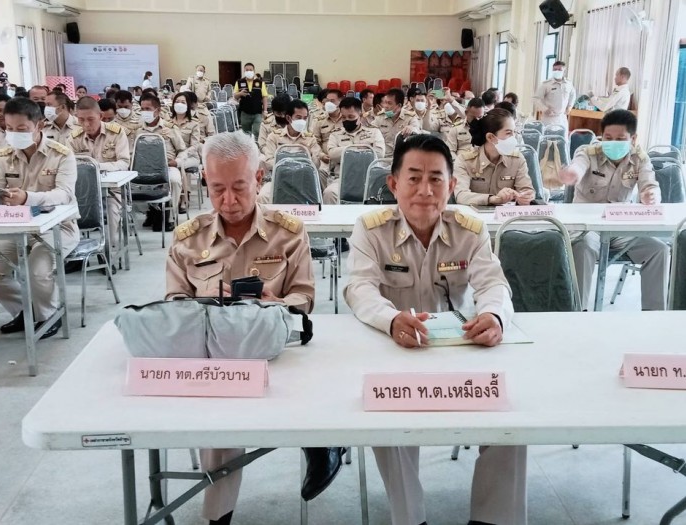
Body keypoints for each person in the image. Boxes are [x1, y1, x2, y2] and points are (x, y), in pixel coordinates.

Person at [343, 134, 526, 525]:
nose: (425, 190)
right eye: (413, 178)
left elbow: (494, 284)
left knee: (512, 421)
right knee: (386, 421)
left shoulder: (469, 229)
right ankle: (411, 518)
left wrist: (493, 316)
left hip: (461, 350)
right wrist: (391, 319)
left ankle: (492, 519)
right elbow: (359, 288)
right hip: (397, 350)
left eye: (436, 179)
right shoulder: (370, 229)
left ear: (452, 185)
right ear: (393, 184)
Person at [166, 131, 344, 525]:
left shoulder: (287, 232)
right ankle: (218, 517)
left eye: (239, 187)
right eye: (217, 189)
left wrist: (274, 302)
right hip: (216, 360)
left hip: (275, 354)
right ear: (205, 182)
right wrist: (205, 305)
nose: (228, 200)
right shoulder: (187, 240)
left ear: (259, 178)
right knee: (220, 421)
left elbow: (304, 298)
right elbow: (173, 304)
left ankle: (321, 441)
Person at [0, 97, 80, 339]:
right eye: (9, 128)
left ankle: (48, 316)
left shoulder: (61, 154)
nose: (14, 134)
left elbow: (64, 194)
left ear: (39, 125)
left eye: (21, 129)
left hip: (58, 228)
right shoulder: (4, 155)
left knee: (37, 269)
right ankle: (26, 310)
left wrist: (28, 197)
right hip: (17, 227)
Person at [559, 109, 667, 311]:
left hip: (620, 226)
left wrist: (651, 195)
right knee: (583, 247)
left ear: (633, 139)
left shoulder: (639, 158)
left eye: (620, 139)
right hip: (587, 227)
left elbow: (650, 185)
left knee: (658, 250)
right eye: (608, 138)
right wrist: (572, 174)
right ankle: (577, 312)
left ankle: (654, 313)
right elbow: (578, 166)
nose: (613, 143)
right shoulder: (588, 152)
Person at [68, 96, 130, 250]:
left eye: (91, 119)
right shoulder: (74, 138)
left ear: (100, 116)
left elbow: (124, 162)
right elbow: (68, 166)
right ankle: (74, 250)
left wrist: (96, 167)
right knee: (65, 210)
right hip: (82, 192)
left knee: (111, 209)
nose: (86, 124)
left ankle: (108, 251)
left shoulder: (116, 133)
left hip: (111, 191)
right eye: (81, 120)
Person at [454, 108, 534, 206]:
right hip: (473, 214)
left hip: (507, 214)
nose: (514, 138)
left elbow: (526, 190)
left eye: (515, 132)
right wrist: (494, 199)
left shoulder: (517, 160)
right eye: (508, 133)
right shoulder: (465, 160)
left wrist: (525, 197)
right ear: (490, 137)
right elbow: (461, 195)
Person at [135, 92, 186, 231]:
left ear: (157, 110)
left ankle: (169, 216)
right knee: (131, 184)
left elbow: (182, 150)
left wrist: (177, 161)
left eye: (148, 109)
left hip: (167, 166)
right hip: (144, 168)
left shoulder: (170, 127)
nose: (144, 112)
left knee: (174, 180)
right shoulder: (138, 130)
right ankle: (150, 212)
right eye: (142, 109)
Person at [323, 97, 385, 204]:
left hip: (368, 178)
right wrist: (361, 148)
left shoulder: (374, 132)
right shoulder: (335, 134)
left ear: (360, 115)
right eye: (343, 117)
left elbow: (379, 154)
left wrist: (348, 151)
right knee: (329, 193)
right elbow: (332, 154)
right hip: (342, 178)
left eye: (351, 117)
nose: (347, 120)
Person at [257, 99, 322, 202]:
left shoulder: (310, 139)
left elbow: (316, 164)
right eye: (298, 117)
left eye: (305, 118)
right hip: (279, 179)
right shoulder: (274, 137)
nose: (302, 121)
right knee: (263, 196)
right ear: (288, 118)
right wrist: (292, 167)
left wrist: (310, 156)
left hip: (303, 180)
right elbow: (269, 162)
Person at [170, 91, 201, 213]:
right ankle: (172, 196)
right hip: (173, 155)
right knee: (173, 164)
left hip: (190, 156)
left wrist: (182, 156)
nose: (179, 104)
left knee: (179, 165)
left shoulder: (194, 123)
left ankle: (183, 197)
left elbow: (195, 145)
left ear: (188, 105)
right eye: (177, 102)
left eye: (183, 102)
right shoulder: (168, 122)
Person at [372, 88, 421, 157]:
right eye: (385, 102)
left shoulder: (410, 117)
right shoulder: (380, 117)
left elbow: (418, 131)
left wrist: (411, 128)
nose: (386, 106)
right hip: (383, 158)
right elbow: (371, 132)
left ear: (399, 106)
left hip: (402, 158)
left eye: (389, 103)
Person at [532, 60, 576, 130]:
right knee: (549, 136)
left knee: (563, 136)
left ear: (564, 71)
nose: (557, 71)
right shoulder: (546, 84)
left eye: (559, 69)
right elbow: (535, 98)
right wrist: (545, 109)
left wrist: (570, 106)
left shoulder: (568, 83)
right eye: (555, 69)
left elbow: (573, 94)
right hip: (549, 118)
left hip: (562, 118)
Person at [233, 62, 268, 139]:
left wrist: (265, 110)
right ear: (244, 71)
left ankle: (256, 145)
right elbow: (235, 96)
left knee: (257, 131)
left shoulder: (260, 83)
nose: (249, 71)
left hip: (257, 112)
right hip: (245, 112)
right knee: (246, 134)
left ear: (254, 71)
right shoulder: (239, 82)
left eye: (250, 70)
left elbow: (264, 97)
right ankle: (247, 145)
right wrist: (240, 93)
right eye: (247, 70)